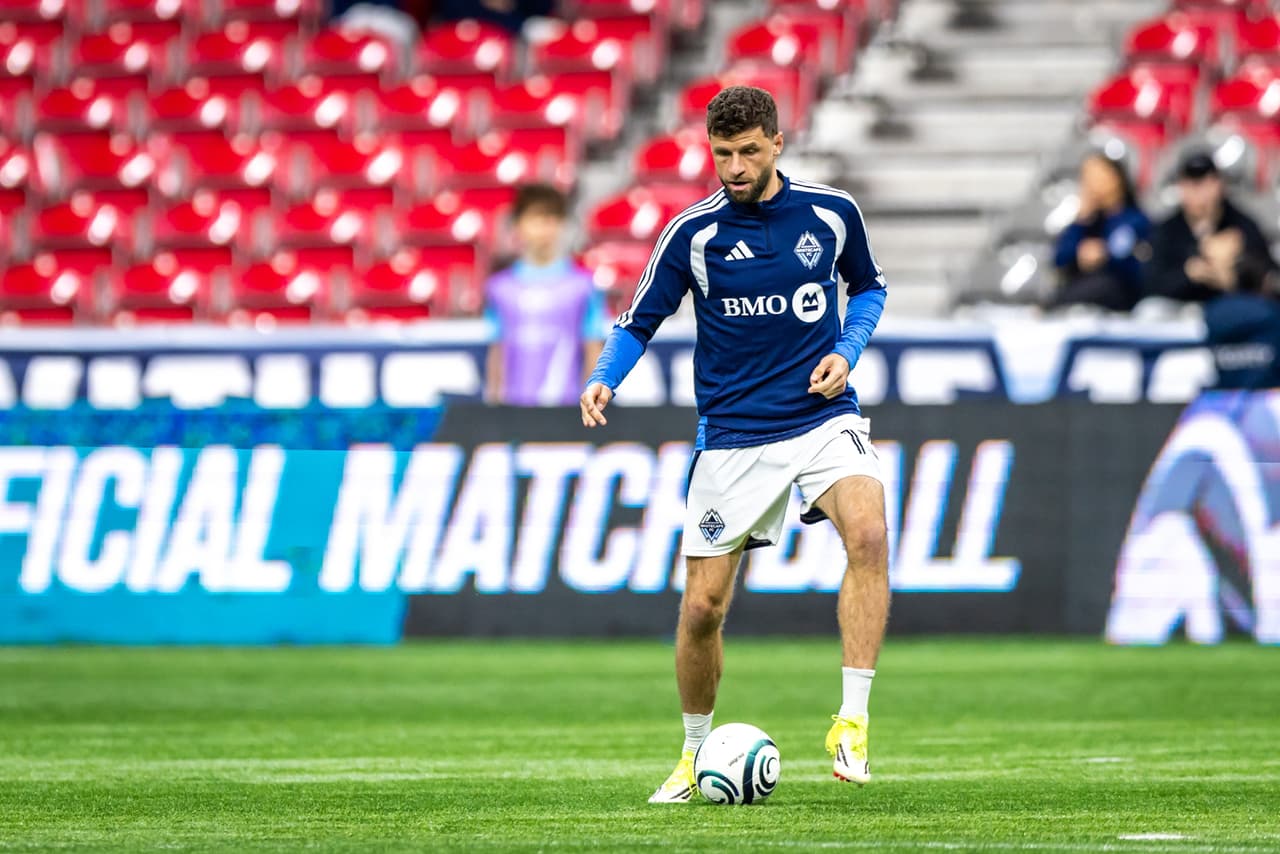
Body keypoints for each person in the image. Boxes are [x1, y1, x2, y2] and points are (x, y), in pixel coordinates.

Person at [578, 86, 890, 802]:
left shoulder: (831, 214)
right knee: (702, 610)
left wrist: (847, 350)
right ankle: (693, 755)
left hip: (822, 417)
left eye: (749, 151)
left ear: (778, 142)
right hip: (734, 435)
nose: (737, 167)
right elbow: (638, 320)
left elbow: (869, 289)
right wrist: (604, 378)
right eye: (723, 154)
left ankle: (852, 723)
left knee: (869, 533)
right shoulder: (692, 234)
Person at [485, 184, 605, 406]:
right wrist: (494, 405)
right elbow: (498, 351)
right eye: (536, 218)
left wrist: (590, 405)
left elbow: (593, 348)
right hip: (515, 410)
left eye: (551, 219)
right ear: (518, 224)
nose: (544, 228)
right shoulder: (500, 288)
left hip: (566, 409)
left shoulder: (582, 286)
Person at [1146, 151, 1277, 304]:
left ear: (1220, 185)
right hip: (1179, 307)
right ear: (1181, 187)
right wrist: (1188, 272)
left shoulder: (1242, 225)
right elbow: (1150, 284)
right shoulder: (1168, 230)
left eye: (1207, 183)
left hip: (1232, 307)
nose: (1200, 193)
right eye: (1192, 185)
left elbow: (1269, 275)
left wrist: (1237, 266)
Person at [1051, 152, 1151, 311]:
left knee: (1101, 286)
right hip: (1082, 290)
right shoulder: (1086, 222)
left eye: (1096, 176)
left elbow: (1135, 267)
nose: (1090, 184)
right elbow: (1060, 259)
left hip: (1121, 294)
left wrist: (1105, 255)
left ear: (1116, 178)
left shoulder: (1135, 220)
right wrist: (1081, 222)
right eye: (1086, 177)